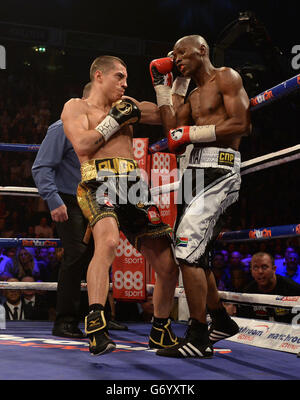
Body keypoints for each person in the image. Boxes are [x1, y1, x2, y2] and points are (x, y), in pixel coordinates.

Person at [61, 55, 179, 356]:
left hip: (133, 185)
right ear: (99, 76)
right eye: (119, 76)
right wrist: (115, 120)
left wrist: (164, 86)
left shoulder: (129, 105)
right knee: (109, 241)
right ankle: (97, 325)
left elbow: (171, 120)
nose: (126, 83)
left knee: (167, 264)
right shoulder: (76, 107)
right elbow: (84, 145)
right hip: (97, 181)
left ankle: (161, 331)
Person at [149, 34, 251, 357]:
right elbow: (172, 134)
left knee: (187, 247)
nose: (176, 57)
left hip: (219, 171)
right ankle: (220, 319)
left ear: (202, 50)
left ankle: (198, 336)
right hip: (190, 174)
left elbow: (242, 123)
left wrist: (195, 132)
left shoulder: (226, 77)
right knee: (193, 251)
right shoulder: (190, 96)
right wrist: (165, 86)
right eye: (173, 54)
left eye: (182, 52)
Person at [32, 83, 127, 338]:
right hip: (69, 199)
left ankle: (99, 316)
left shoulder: (104, 131)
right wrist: (53, 201)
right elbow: (41, 167)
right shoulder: (62, 128)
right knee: (76, 254)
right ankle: (65, 321)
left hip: (100, 196)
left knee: (102, 252)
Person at [236, 252, 300, 323]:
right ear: (251, 271)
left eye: (264, 267)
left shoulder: (293, 289)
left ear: (274, 269)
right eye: (255, 268)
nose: (260, 271)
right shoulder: (247, 292)